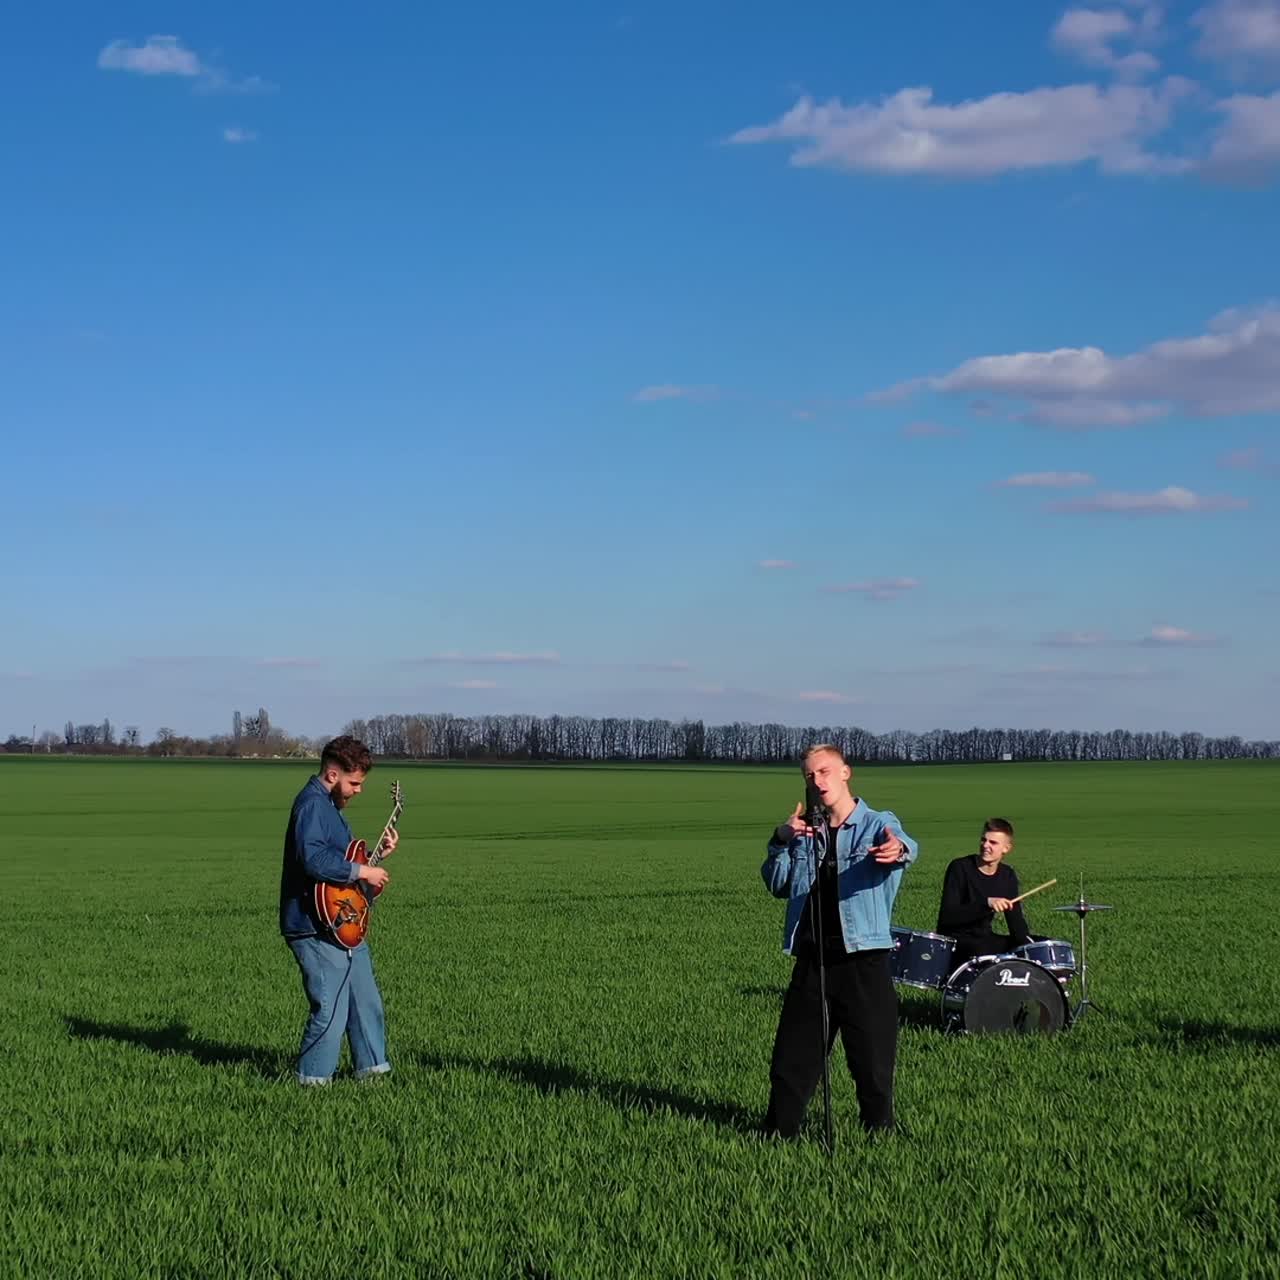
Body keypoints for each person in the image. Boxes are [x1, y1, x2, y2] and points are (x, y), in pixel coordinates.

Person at [760, 743, 919, 1138]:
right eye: (810, 775)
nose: (817, 781)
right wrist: (781, 839)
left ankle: (879, 1134)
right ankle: (778, 1135)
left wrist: (895, 849)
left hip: (863, 959)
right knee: (792, 1058)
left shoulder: (876, 823)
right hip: (813, 959)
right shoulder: (804, 833)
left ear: (846, 772)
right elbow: (777, 884)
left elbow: (905, 847)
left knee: (872, 1058)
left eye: (825, 771)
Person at [278, 734, 399, 1085]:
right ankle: (312, 1083)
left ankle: (373, 1075)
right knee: (330, 1009)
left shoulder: (331, 809)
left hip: (340, 923)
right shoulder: (312, 805)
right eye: (354, 782)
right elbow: (313, 859)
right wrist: (364, 871)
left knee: (366, 1003)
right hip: (311, 925)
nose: (358, 790)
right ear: (333, 775)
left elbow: (340, 866)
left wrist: (375, 862)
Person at [935, 818, 1032, 972]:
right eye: (983, 840)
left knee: (1042, 946)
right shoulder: (960, 868)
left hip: (985, 937)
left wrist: (1030, 945)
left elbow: (1016, 922)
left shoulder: (1007, 875)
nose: (985, 845)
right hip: (956, 939)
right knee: (984, 948)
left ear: (1006, 848)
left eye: (993, 843)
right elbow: (948, 916)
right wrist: (986, 903)